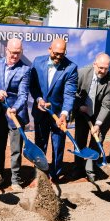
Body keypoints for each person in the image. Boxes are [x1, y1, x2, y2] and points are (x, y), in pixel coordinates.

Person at [29, 38, 79, 181]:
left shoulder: (71, 68)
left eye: (61, 54)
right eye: (55, 53)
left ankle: (55, 175)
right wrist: (38, 99)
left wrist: (64, 114)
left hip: (59, 115)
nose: (58, 57)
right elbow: (33, 86)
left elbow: (69, 94)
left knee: (58, 146)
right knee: (40, 144)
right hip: (41, 112)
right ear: (49, 49)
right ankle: (39, 175)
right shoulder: (38, 62)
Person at [0, 38, 30, 191]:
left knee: (16, 149)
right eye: (12, 53)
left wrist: (15, 108)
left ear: (21, 52)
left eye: (18, 53)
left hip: (15, 115)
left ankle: (16, 180)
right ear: (6, 50)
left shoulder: (25, 69)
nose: (14, 56)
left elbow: (23, 95)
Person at [73, 53, 110, 182]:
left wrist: (98, 124)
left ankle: (90, 170)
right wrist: (79, 105)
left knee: (96, 143)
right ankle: (78, 169)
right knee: (80, 141)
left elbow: (107, 105)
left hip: (100, 116)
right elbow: (72, 93)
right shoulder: (82, 73)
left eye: (106, 68)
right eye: (100, 68)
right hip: (82, 113)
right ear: (95, 64)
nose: (103, 71)